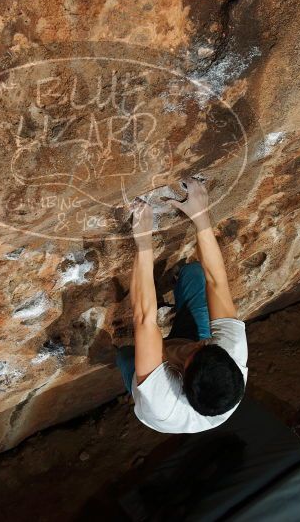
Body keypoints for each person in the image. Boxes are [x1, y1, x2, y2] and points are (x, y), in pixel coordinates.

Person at [116, 178, 247, 434]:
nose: (200, 343)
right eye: (206, 345)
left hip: (155, 382)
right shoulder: (232, 354)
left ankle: (127, 355)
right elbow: (217, 283)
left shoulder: (162, 402)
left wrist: (143, 241)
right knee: (195, 274)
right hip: (191, 366)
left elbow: (144, 318)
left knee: (125, 354)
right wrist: (201, 216)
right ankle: (178, 291)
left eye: (195, 351)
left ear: (181, 379)